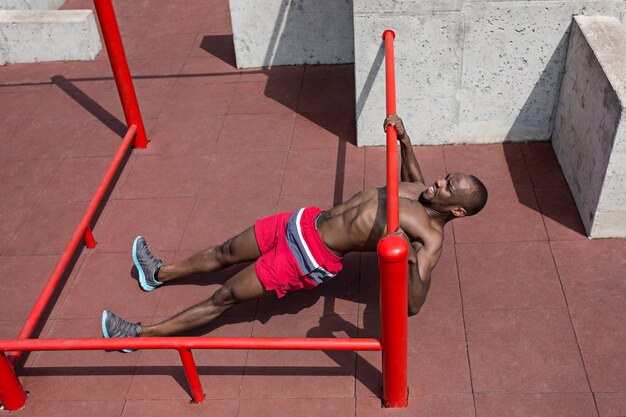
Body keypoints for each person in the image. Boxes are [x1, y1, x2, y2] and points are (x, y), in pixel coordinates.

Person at [101, 114, 488, 345]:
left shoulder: (429, 240)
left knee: (226, 296)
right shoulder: (422, 191)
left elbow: (413, 305)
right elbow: (413, 179)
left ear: (456, 210)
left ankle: (136, 336)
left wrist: (406, 261)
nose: (437, 183)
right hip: (303, 220)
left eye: (448, 187)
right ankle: (158, 274)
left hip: (309, 255)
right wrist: (404, 140)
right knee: (224, 252)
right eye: (446, 177)